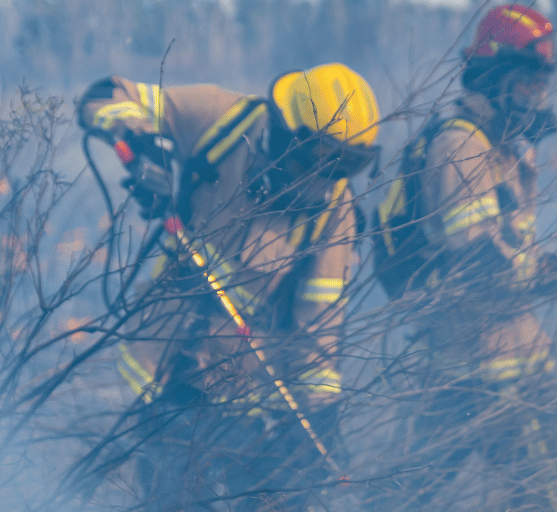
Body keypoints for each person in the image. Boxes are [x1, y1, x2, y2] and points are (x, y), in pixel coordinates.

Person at [78, 63, 380, 511]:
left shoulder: (334, 210)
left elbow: (316, 331)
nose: (319, 181)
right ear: (281, 132)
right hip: (162, 363)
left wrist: (320, 415)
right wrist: (144, 144)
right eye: (311, 160)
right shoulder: (224, 119)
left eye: (341, 167)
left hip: (247, 394)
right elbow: (105, 93)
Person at [371, 4, 557, 506]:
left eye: (542, 83)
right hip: (477, 368)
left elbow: (511, 251)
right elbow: (482, 264)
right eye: (528, 81)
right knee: (550, 495)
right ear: (494, 77)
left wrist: (554, 275)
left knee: (414, 495)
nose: (539, 94)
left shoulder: (508, 148)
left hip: (510, 360)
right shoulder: (460, 147)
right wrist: (545, 275)